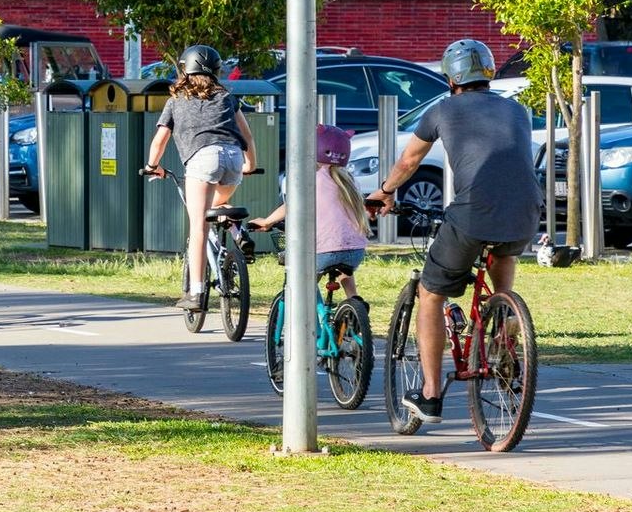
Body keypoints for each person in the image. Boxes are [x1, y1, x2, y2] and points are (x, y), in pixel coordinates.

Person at [368, 38, 538, 426]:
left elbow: (411, 159)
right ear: (489, 73)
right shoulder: (517, 110)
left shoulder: (442, 109)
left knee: (430, 294)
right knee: (502, 258)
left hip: (473, 213)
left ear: (451, 77)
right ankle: (504, 327)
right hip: (526, 213)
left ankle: (429, 395)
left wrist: (386, 191)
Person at [141, 44, 257, 310]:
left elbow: (160, 141)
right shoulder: (227, 96)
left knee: (198, 226)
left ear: (184, 70)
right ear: (216, 70)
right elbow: (247, 135)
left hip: (203, 159)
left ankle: (196, 294)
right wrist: (250, 165)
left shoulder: (175, 102)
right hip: (232, 158)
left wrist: (151, 166)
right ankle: (237, 230)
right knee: (216, 206)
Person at [248, 123, 369, 301]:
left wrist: (267, 222)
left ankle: (313, 321)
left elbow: (292, 205)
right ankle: (354, 301)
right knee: (342, 264)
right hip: (356, 252)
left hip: (324, 253)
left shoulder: (312, 180)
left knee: (305, 285)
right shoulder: (349, 181)